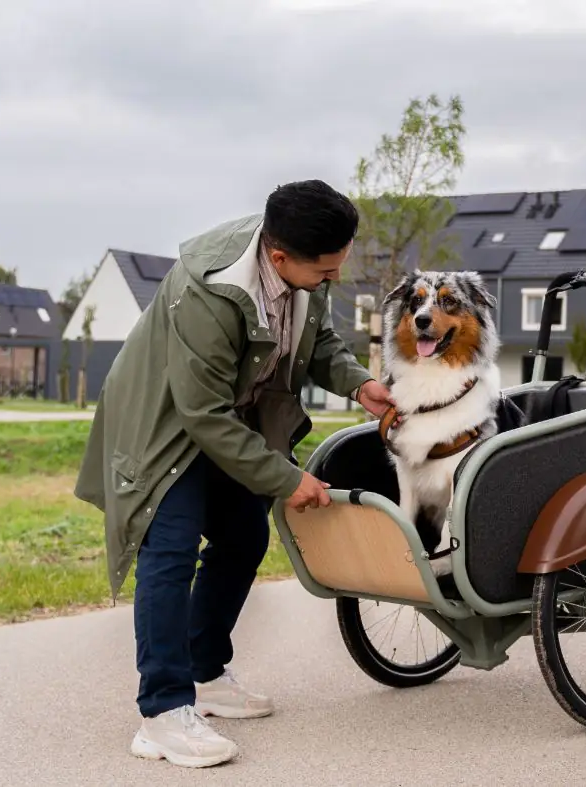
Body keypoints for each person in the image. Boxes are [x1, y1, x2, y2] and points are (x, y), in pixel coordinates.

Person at [74, 179, 393, 768]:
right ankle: (163, 713)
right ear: (278, 258)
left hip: (227, 418)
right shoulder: (209, 291)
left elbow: (317, 341)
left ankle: (203, 673)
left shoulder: (300, 261)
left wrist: (360, 384)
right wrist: (286, 477)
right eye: (325, 272)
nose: (333, 280)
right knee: (168, 549)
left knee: (243, 534)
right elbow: (200, 414)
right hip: (164, 422)